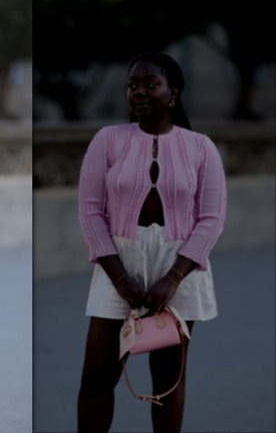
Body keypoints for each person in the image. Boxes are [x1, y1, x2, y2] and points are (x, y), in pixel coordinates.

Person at [76, 52, 227, 433]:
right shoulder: (108, 140)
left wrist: (173, 277)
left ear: (173, 93)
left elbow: (211, 218)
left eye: (150, 84)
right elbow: (90, 211)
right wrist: (120, 278)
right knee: (97, 378)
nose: (139, 92)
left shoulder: (200, 147)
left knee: (167, 382)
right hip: (117, 264)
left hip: (181, 268)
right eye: (132, 85)